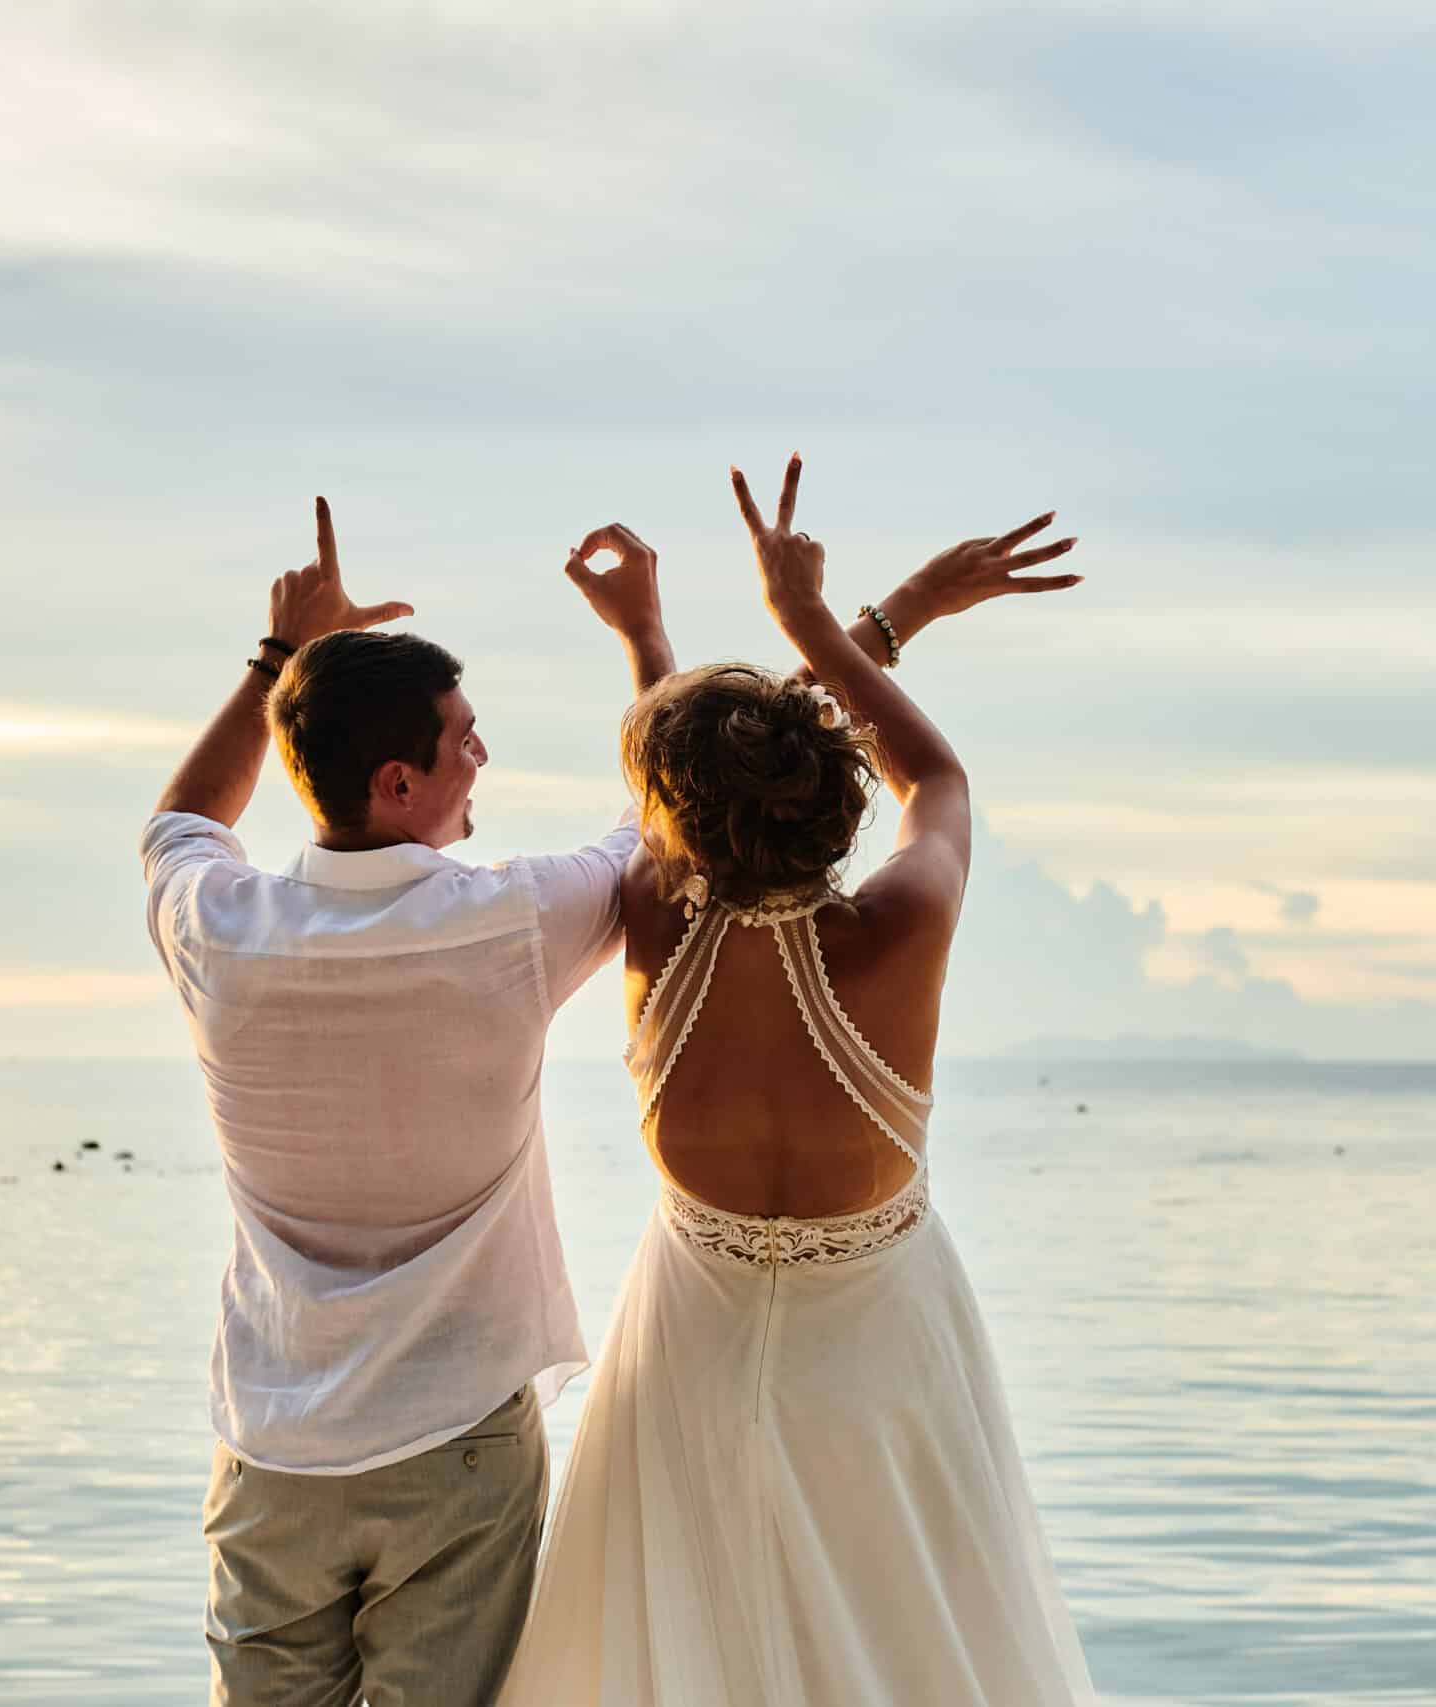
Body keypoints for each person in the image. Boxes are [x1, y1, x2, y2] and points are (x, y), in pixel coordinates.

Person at [142, 488, 1070, 1707]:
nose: (482, 755)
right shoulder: (534, 918)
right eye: (464, 740)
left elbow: (182, 821)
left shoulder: (225, 926)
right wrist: (823, 621)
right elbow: (861, 778)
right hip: (501, 1432)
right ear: (400, 779)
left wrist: (282, 659)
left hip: (293, 1437)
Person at [495, 456, 1099, 1706]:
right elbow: (934, 781)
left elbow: (688, 783)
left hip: (688, 1358)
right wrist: (822, 620)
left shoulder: (654, 919)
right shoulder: (898, 934)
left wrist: (648, 635)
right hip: (879, 1367)